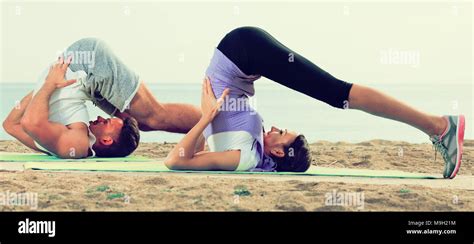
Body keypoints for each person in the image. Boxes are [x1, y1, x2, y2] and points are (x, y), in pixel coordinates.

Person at [164, 26, 465, 178]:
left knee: (336, 93)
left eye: (281, 133)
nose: (276, 127)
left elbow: (178, 160)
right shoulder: (252, 156)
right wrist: (208, 119)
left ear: (280, 149)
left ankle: (438, 126)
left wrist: (206, 119)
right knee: (336, 94)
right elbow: (193, 157)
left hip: (242, 52)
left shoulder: (245, 157)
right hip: (242, 56)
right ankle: (437, 126)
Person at [3, 38, 202, 158]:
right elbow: (21, 124)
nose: (99, 117)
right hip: (86, 70)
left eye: (106, 121)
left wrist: (47, 84)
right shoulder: (69, 139)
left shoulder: (75, 144)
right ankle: (206, 124)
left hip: (85, 65)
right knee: (147, 121)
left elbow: (14, 124)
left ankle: (208, 123)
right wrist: (46, 86)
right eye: (105, 120)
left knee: (152, 118)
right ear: (107, 140)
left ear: (105, 140)